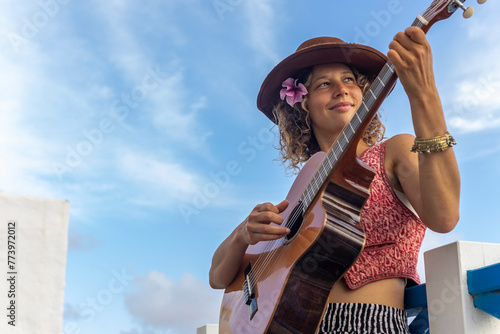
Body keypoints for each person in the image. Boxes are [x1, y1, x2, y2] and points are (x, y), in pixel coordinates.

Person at [209, 26, 460, 334]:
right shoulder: (302, 189)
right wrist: (242, 235)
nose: (341, 90)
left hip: (371, 323)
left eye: (349, 80)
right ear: (302, 106)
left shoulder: (394, 151)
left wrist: (424, 96)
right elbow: (218, 277)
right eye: (324, 84)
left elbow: (445, 216)